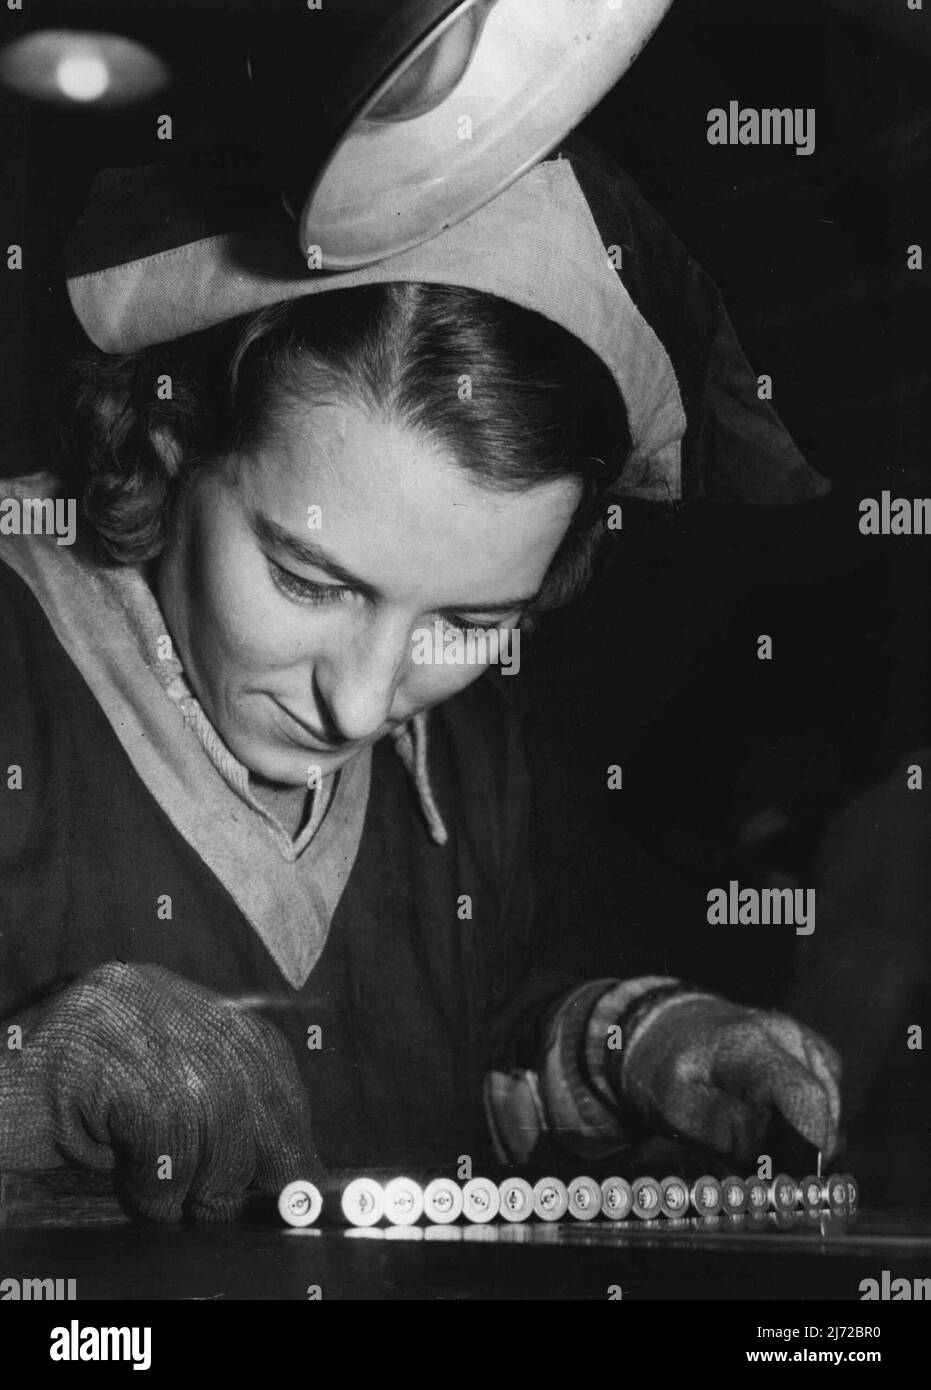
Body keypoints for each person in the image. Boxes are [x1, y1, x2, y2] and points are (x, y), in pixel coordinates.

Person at [0, 147, 841, 1223]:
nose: (361, 702)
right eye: (308, 579)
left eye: (468, 620)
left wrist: (633, 1043)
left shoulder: (471, 758)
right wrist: (31, 1087)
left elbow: (464, 1034)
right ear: (166, 440)